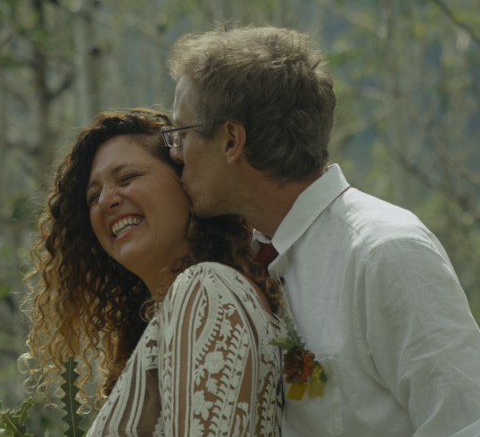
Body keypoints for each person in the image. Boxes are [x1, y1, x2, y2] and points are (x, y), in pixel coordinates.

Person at [166, 25, 480, 436]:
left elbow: (472, 428)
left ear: (231, 140)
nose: (174, 153)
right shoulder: (249, 259)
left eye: (180, 133)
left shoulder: (385, 250)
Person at [21, 109, 283, 437]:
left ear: (188, 185)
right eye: (93, 196)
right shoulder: (172, 315)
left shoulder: (206, 289)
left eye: (127, 178)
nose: (105, 201)